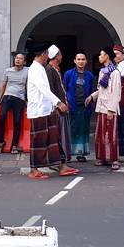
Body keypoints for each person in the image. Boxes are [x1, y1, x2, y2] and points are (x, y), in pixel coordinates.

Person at [26, 46, 79, 180]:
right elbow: (43, 89)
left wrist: (54, 105)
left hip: (46, 109)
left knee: (53, 139)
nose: (47, 58)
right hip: (38, 110)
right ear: (43, 54)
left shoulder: (40, 68)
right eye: (47, 55)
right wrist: (58, 103)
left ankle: (61, 165)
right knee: (38, 140)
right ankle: (33, 170)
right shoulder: (35, 69)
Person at [87, 47, 122, 170]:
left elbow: (116, 92)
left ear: (107, 56)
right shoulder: (103, 71)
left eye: (101, 54)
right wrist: (92, 97)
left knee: (111, 134)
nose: (99, 57)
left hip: (109, 108)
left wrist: (111, 110)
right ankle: (102, 157)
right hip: (101, 106)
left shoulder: (115, 73)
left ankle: (114, 159)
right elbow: (101, 89)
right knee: (101, 134)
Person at [62, 52, 95, 161]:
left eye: (83, 59)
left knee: (84, 130)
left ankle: (81, 154)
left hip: (85, 108)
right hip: (72, 107)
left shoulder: (89, 75)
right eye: (79, 59)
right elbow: (64, 89)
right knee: (72, 130)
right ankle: (69, 153)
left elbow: (92, 91)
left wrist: (91, 98)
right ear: (75, 61)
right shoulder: (68, 74)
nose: (81, 61)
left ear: (86, 61)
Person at [0, 52, 28, 154]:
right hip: (7, 97)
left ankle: (14, 145)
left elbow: (28, 86)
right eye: (16, 58)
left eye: (20, 58)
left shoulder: (28, 71)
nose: (17, 60)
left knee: (17, 121)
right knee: (2, 117)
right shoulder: (8, 71)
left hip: (19, 98)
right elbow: (3, 85)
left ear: (24, 62)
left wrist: (28, 100)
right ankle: (0, 142)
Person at [46, 45, 72, 160]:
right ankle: (59, 159)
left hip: (62, 107)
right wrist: (57, 105)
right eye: (60, 54)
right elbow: (51, 90)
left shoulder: (56, 69)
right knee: (58, 134)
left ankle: (64, 158)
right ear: (56, 56)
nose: (62, 56)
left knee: (63, 133)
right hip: (57, 109)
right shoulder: (49, 70)